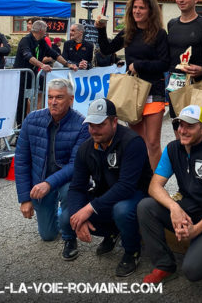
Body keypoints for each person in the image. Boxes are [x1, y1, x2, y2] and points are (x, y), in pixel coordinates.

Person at [138, 105, 202, 283]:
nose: (182, 131)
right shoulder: (173, 149)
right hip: (185, 211)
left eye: (189, 126)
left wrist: (196, 231)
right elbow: (154, 186)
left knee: (193, 271)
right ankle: (164, 265)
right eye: (180, 125)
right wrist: (174, 207)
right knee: (145, 206)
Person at [67, 98, 153, 277]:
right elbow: (76, 187)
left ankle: (132, 251)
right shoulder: (86, 147)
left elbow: (126, 187)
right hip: (107, 194)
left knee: (121, 210)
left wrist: (90, 208)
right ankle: (113, 232)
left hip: (137, 195)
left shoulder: (132, 142)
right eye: (91, 124)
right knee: (67, 214)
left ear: (114, 122)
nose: (94, 130)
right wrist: (78, 217)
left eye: (100, 124)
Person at [14, 78, 88, 260]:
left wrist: (49, 184)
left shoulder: (82, 125)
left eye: (59, 97)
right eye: (50, 97)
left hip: (65, 181)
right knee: (47, 235)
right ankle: (62, 215)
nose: (53, 102)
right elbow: (22, 161)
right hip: (41, 181)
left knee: (69, 191)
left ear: (71, 100)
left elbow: (75, 165)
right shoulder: (32, 120)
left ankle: (70, 238)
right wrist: (25, 199)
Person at [95, 0, 169, 170]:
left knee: (152, 143)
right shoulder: (128, 31)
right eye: (135, 7)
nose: (137, 11)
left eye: (141, 7)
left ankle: (156, 184)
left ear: (150, 11)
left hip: (153, 91)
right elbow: (106, 49)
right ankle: (141, 180)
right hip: (132, 93)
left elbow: (164, 63)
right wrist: (101, 29)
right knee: (138, 141)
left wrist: (139, 65)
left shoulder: (159, 34)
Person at [13, 20, 77, 126]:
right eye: (46, 30)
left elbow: (54, 54)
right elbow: (28, 56)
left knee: (30, 98)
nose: (46, 32)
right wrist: (42, 65)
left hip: (32, 75)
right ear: (41, 30)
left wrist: (67, 64)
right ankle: (20, 126)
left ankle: (31, 121)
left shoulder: (41, 41)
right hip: (22, 75)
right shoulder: (26, 40)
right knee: (21, 101)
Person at [166, 0, 202, 135]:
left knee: (197, 130)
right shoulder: (171, 24)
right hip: (175, 85)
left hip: (197, 85)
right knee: (178, 129)